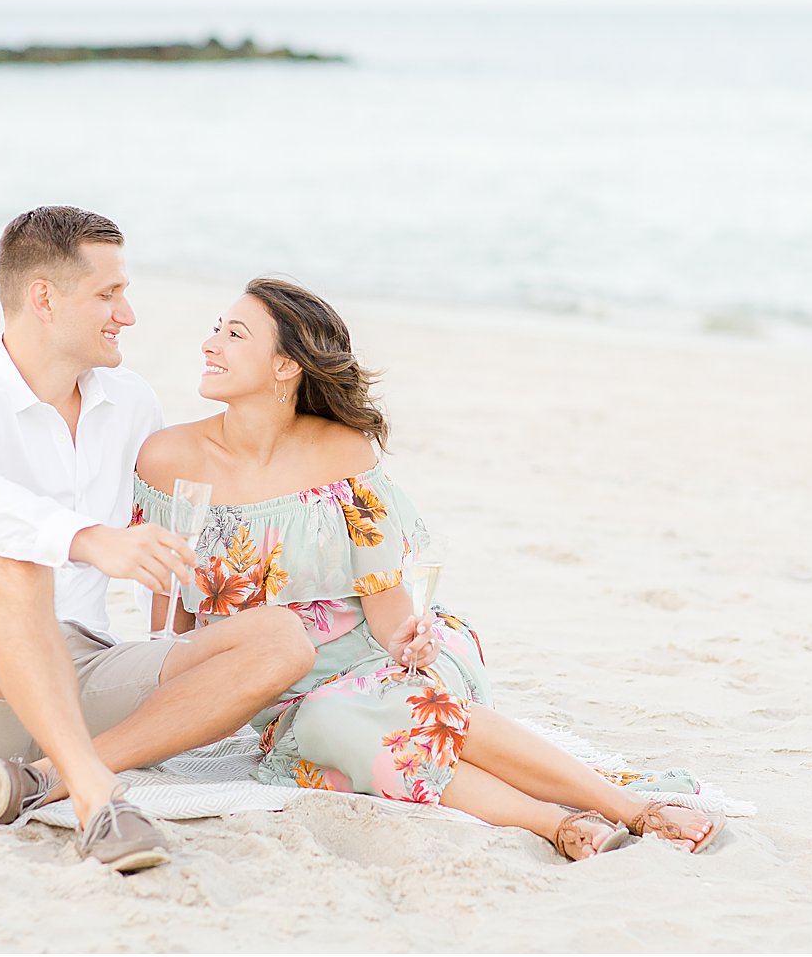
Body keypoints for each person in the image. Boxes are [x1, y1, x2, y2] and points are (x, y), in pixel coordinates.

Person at [131, 277, 723, 860]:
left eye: (234, 335)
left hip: (373, 651)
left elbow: (387, 611)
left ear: (287, 366)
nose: (210, 345)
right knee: (329, 726)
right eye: (216, 330)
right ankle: (557, 820)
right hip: (276, 685)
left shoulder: (343, 453)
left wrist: (412, 641)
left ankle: (618, 811)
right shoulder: (168, 458)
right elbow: (173, 619)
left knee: (373, 711)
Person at [0, 208, 316, 872]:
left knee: (284, 638)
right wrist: (85, 538)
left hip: (78, 669)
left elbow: (178, 516)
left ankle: (43, 777)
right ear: (43, 298)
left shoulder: (130, 402)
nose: (127, 314)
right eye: (109, 294)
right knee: (14, 559)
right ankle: (96, 799)